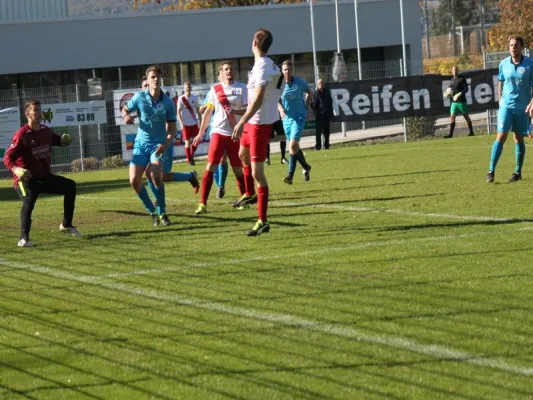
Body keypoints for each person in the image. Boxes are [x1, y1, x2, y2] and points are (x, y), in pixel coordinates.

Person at [3, 99, 82, 247]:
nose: (40, 113)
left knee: (70, 186)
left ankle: (66, 225)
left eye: (40, 110)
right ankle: (24, 238)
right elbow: (8, 157)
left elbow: (57, 140)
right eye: (36, 110)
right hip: (24, 179)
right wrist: (16, 169)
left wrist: (64, 140)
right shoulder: (22, 135)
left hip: (43, 177)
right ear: (28, 114)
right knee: (29, 198)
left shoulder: (46, 131)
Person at [232, 28, 283, 236]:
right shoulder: (262, 66)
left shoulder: (263, 68)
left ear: (254, 43)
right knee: (241, 154)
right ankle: (250, 193)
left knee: (257, 173)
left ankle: (262, 221)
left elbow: (260, 99)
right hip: (253, 120)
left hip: (259, 124)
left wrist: (241, 121)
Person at [121, 65, 175, 226]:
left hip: (157, 146)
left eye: (158, 77)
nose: (156, 79)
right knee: (133, 180)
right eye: (153, 77)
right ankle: (152, 211)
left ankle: (163, 212)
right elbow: (125, 109)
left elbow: (172, 130)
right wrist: (126, 117)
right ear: (148, 80)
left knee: (156, 175)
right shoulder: (139, 97)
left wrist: (164, 145)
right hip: (140, 145)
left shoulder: (168, 103)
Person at [193, 61, 248, 215]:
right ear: (221, 73)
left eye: (230, 69)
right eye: (225, 69)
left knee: (238, 169)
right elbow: (208, 113)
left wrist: (235, 112)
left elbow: (248, 110)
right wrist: (199, 133)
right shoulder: (215, 89)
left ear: (234, 72)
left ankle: (245, 200)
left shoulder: (242, 88)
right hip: (217, 132)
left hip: (235, 133)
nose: (229, 71)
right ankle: (202, 204)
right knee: (210, 167)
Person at [487, 36, 533, 183]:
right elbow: (500, 82)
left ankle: (517, 172)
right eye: (511, 45)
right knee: (501, 135)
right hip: (506, 106)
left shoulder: (529, 65)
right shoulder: (503, 64)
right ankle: (491, 170)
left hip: (522, 108)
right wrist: (500, 100)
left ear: (521, 47)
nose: (513, 47)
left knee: (518, 138)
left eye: (515, 45)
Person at [279, 59, 312, 185]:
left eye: (289, 69)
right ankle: (306, 167)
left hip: (299, 117)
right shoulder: (279, 84)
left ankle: (290, 176)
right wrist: (280, 108)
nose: (287, 71)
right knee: (295, 147)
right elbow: (275, 99)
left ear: (292, 70)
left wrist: (307, 109)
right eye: (285, 69)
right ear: (282, 71)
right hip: (286, 119)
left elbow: (309, 92)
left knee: (292, 145)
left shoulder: (299, 82)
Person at [444, 66, 474, 138]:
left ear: (458, 71)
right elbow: (450, 88)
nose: (455, 71)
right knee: (452, 116)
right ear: (452, 71)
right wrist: (447, 93)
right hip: (454, 102)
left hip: (461, 102)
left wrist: (459, 94)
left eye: (456, 70)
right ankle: (450, 134)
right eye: (453, 70)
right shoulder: (452, 79)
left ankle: (471, 132)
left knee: (466, 117)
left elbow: (466, 89)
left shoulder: (462, 78)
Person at [177, 81, 201, 166]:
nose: (188, 89)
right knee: (187, 142)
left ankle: (190, 156)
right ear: (184, 89)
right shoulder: (181, 99)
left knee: (196, 141)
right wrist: (181, 122)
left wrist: (200, 121)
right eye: (186, 88)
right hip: (185, 124)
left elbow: (198, 111)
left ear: (191, 88)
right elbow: (178, 112)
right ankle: (190, 160)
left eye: (189, 87)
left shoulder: (195, 98)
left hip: (194, 123)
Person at [310, 78, 333, 150]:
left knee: (327, 132)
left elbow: (330, 103)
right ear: (317, 85)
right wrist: (316, 111)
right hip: (319, 116)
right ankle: (318, 146)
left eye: (322, 83)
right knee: (318, 132)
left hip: (326, 115)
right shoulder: (315, 93)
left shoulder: (327, 92)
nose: (321, 84)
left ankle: (327, 145)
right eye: (319, 83)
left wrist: (330, 113)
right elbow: (312, 104)